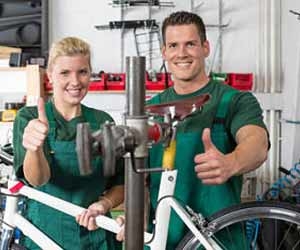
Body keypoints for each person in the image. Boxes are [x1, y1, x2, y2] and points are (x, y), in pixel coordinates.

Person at [143, 11, 269, 249]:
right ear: (164, 52)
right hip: (165, 240)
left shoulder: (234, 100)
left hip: (221, 240)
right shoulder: (150, 109)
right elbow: (142, 180)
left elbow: (257, 143)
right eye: (173, 45)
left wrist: (232, 161)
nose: (181, 53)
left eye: (190, 44)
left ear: (205, 48)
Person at [13, 37, 124, 250]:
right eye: (65, 73)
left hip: (96, 234)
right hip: (45, 235)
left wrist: (103, 205)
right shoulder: (29, 118)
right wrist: (34, 149)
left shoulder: (102, 121)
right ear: (50, 76)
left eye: (82, 72)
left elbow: (120, 184)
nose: (75, 81)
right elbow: (38, 180)